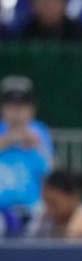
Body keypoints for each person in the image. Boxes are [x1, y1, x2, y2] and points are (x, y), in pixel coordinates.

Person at [0, 76, 53, 212]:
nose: (17, 112)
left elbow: (52, 170)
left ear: (32, 109)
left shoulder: (40, 131)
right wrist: (6, 141)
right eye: (11, 106)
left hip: (33, 208)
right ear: (3, 109)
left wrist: (39, 147)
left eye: (22, 106)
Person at [27, 170, 82, 238]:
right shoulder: (43, 223)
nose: (48, 210)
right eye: (46, 203)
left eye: (53, 203)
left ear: (74, 198)